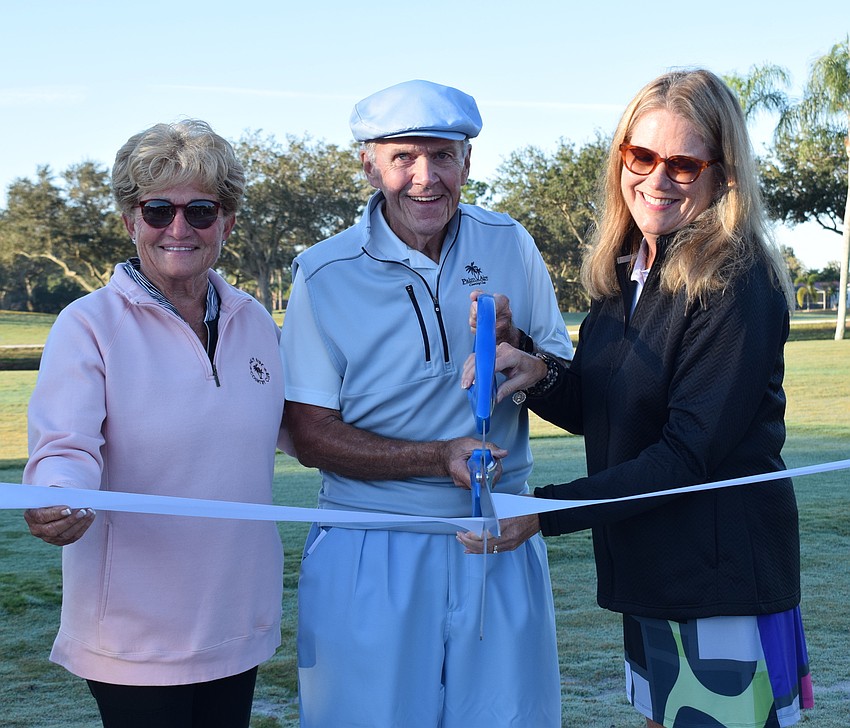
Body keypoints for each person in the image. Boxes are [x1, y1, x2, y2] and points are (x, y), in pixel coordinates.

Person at [459, 69, 813, 728]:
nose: (655, 179)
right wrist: (533, 370)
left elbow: (684, 457)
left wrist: (540, 513)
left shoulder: (736, 282)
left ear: (722, 174)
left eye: (682, 164)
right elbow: (609, 406)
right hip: (652, 572)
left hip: (718, 585)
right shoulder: (629, 270)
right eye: (641, 155)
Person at [280, 79, 573, 727]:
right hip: (370, 547)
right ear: (368, 163)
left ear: (468, 161)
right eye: (404, 157)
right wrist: (438, 456)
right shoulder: (321, 273)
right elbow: (309, 435)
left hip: (498, 538)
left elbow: (565, 381)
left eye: (443, 156)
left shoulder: (510, 243)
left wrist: (516, 346)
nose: (425, 178)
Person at [23, 119, 285, 728]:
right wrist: (59, 495)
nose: (178, 228)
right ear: (129, 220)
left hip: (237, 618)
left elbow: (301, 428)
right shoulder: (87, 324)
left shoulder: (254, 322)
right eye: (157, 209)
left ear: (227, 221)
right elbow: (65, 444)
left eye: (200, 210)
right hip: (135, 637)